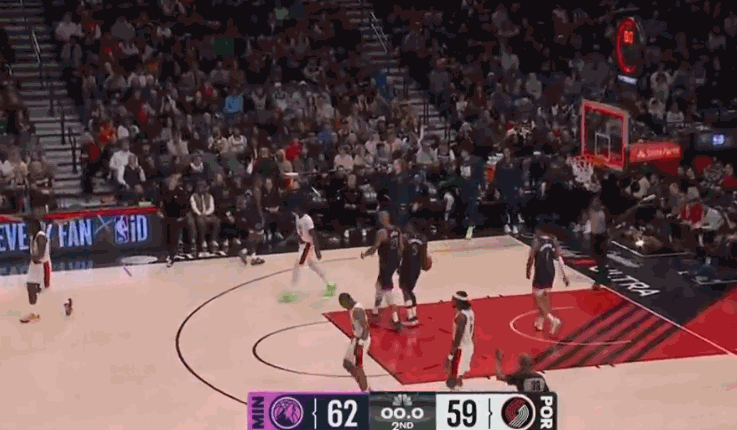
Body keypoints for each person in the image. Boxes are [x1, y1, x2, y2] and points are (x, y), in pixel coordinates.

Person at [281, 202, 335, 302]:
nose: (293, 211)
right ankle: (329, 284)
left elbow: (314, 236)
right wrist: (288, 240)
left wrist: (317, 251)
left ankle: (292, 291)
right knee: (311, 265)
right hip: (303, 245)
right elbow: (298, 231)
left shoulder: (307, 220)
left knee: (297, 265)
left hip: (308, 246)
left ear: (300, 208)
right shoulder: (297, 217)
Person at [360, 210, 402, 331]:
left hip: (385, 264)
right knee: (378, 285)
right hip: (394, 262)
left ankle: (396, 319)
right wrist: (399, 263)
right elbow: (401, 248)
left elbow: (374, 248)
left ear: (383, 219)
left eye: (379, 218)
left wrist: (365, 254)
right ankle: (375, 309)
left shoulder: (382, 232)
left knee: (387, 292)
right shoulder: (397, 230)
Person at [526, 225, 569, 334]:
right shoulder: (554, 240)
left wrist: (528, 270)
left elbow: (531, 258)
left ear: (540, 230)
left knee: (537, 298)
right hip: (551, 271)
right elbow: (559, 258)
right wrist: (564, 275)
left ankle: (552, 320)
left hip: (541, 271)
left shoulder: (537, 241)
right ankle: (540, 323)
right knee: (544, 297)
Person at [20, 219, 58, 323]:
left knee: (44, 289)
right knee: (30, 287)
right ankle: (34, 313)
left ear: (36, 227)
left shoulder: (41, 236)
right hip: (34, 265)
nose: (28, 228)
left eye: (30, 226)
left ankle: (65, 303)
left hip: (42, 265)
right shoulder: (33, 236)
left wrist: (33, 257)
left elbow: (40, 254)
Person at [399, 220, 430, 326]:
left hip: (406, 266)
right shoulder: (423, 238)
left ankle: (411, 317)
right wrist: (425, 265)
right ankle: (414, 315)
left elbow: (400, 252)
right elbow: (424, 254)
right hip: (417, 268)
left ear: (411, 227)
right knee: (409, 290)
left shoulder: (404, 237)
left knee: (404, 289)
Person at [338, 293, 371, 392]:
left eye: (343, 305)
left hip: (361, 341)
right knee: (347, 363)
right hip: (357, 339)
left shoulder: (357, 311)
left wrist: (360, 344)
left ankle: (365, 390)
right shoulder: (353, 308)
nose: (344, 307)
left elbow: (365, 328)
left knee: (358, 367)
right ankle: (362, 383)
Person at [444, 291, 475, 390]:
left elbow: (458, 339)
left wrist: (450, 356)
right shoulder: (470, 312)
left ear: (458, 302)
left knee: (452, 382)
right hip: (469, 347)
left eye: (453, 299)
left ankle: (457, 394)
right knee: (459, 378)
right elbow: (471, 332)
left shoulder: (461, 316)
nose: (451, 301)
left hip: (461, 350)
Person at [158, 172, 190, 268]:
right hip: (167, 217)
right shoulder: (163, 192)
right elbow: (159, 206)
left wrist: (182, 217)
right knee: (168, 225)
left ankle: (179, 251)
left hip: (179, 217)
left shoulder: (180, 192)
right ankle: (169, 253)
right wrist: (160, 214)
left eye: (175, 180)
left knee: (178, 225)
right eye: (172, 180)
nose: (172, 182)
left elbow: (185, 207)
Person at [585, 195, 609, 290]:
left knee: (601, 256)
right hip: (594, 235)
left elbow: (608, 224)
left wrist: (609, 236)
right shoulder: (590, 211)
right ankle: (602, 270)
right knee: (595, 254)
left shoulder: (604, 211)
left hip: (602, 235)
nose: (595, 203)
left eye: (597, 202)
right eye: (594, 202)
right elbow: (587, 221)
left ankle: (602, 273)